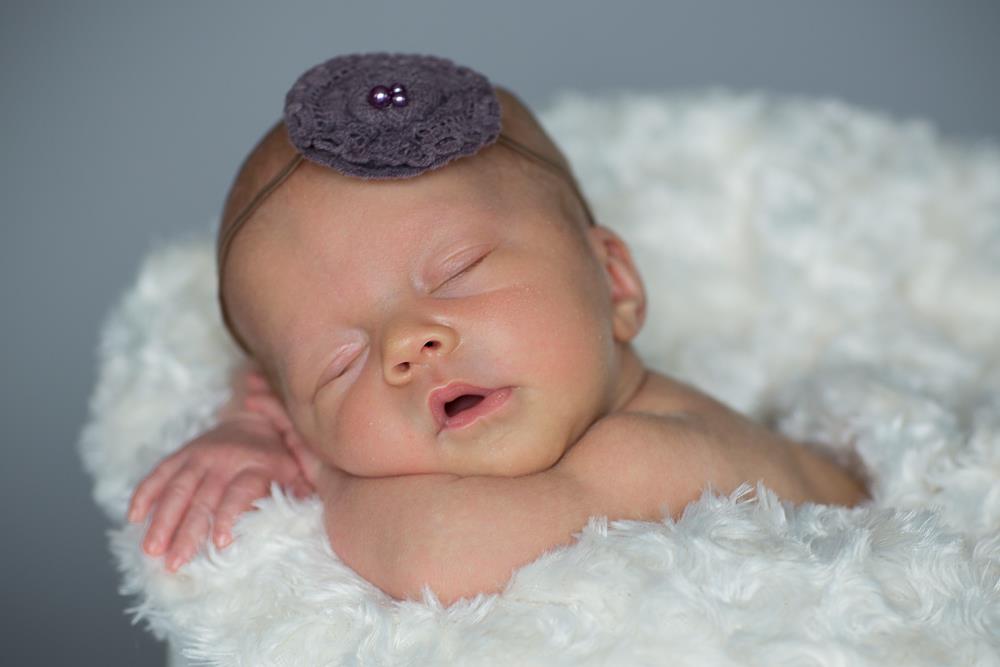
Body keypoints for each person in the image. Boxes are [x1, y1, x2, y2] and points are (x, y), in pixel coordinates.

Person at [127, 53, 868, 606]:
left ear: (614, 283)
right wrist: (248, 426)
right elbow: (261, 382)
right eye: (339, 362)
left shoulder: (657, 449)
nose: (405, 344)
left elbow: (440, 553)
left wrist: (319, 470)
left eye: (457, 271)